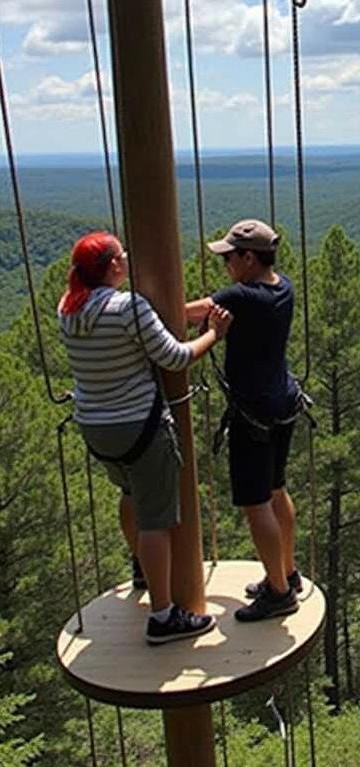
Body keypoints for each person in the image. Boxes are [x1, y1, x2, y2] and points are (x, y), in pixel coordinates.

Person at [58, 231, 232, 644]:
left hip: (96, 428)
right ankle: (163, 616)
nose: (127, 259)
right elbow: (176, 357)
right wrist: (213, 333)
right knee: (157, 520)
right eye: (122, 254)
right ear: (113, 266)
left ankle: (142, 569)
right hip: (140, 426)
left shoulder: (68, 308)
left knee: (131, 496)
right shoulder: (128, 307)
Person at [186, 219, 304, 622]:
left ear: (248, 257)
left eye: (229, 258)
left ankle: (278, 592)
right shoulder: (282, 287)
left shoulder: (241, 297)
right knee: (276, 490)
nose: (225, 265)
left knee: (256, 505)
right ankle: (286, 573)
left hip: (253, 413)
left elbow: (190, 313)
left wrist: (138, 308)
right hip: (283, 403)